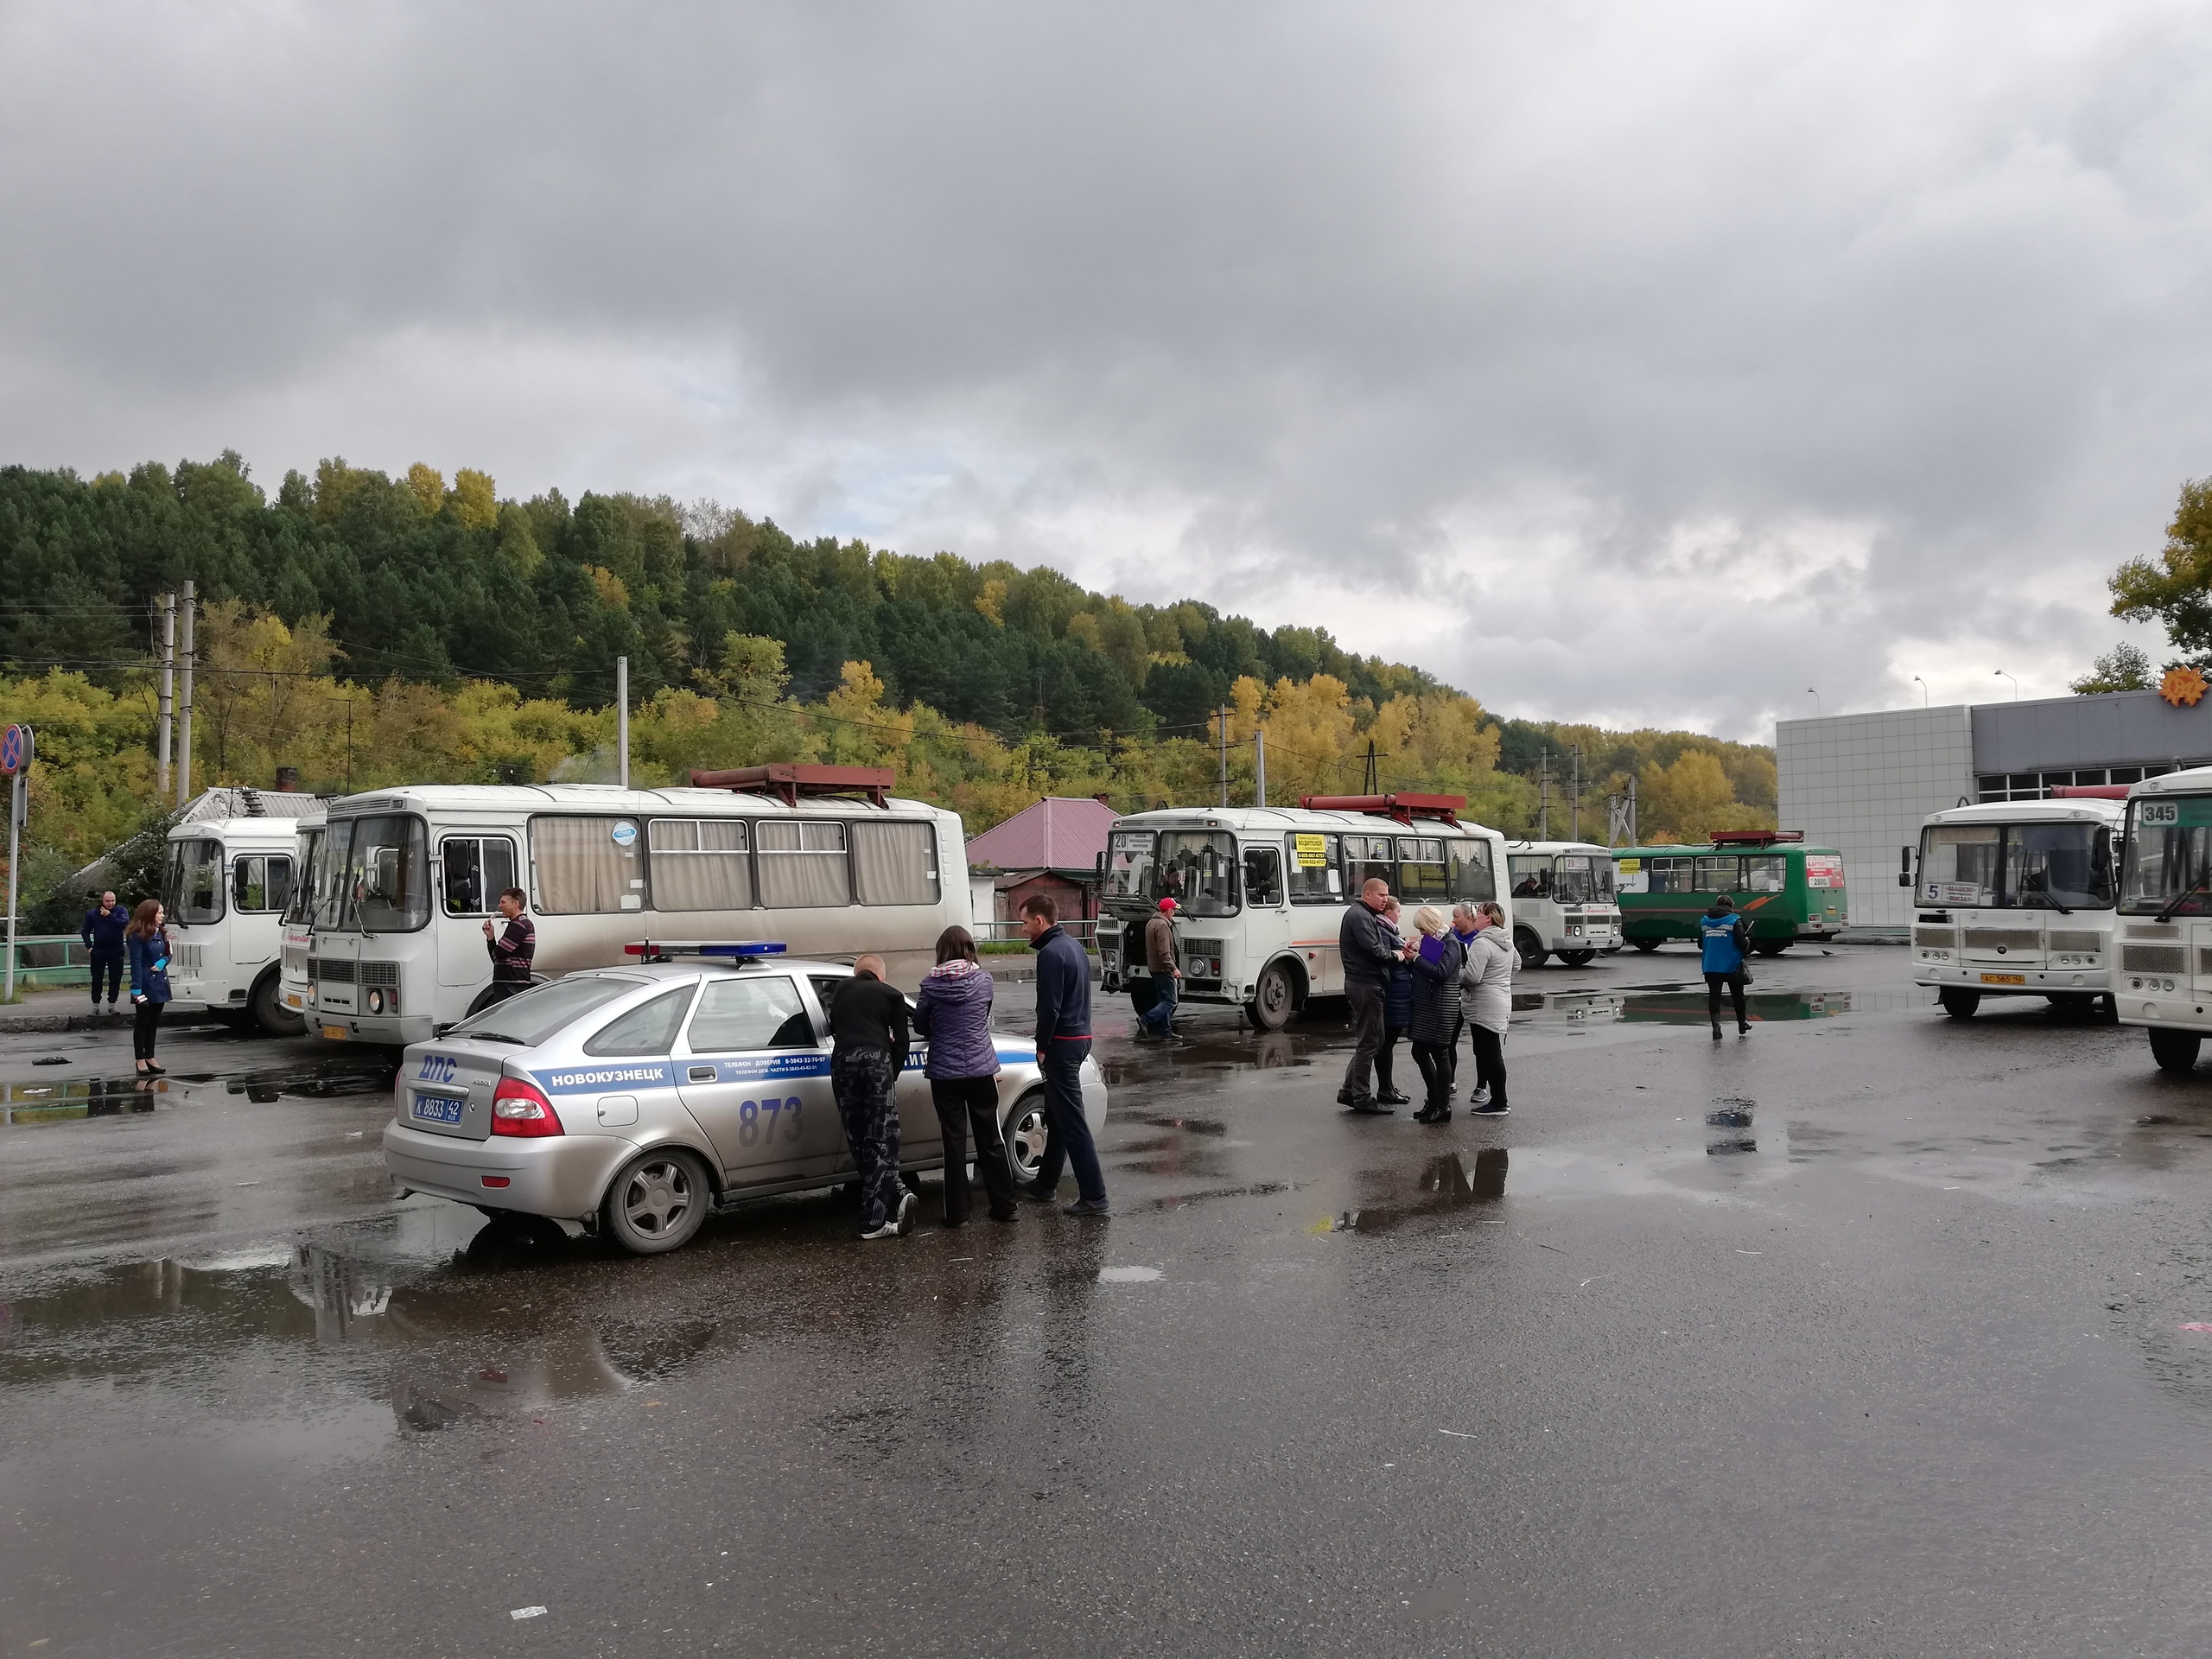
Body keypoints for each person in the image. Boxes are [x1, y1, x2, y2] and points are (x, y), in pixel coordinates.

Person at [913, 925, 1016, 1226]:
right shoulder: (984, 980)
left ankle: (957, 1214)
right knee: (990, 1138)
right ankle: (1005, 1207)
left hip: (945, 1074)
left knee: (954, 1141)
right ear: (970, 948)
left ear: (942, 950)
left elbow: (920, 1024)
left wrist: (939, 1030)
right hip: (981, 1069)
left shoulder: (930, 984)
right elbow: (983, 1013)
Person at [1015, 893, 1108, 1216]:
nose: (1023, 928)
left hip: (1062, 1043)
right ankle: (1045, 1185)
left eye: (1025, 922)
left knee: (1072, 1122)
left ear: (1040, 921)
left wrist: (1041, 1047)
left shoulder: (1051, 954)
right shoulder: (1073, 946)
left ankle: (1095, 1196)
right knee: (1057, 1116)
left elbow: (1049, 1009)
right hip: (1080, 1037)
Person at [830, 953, 918, 1239]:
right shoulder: (891, 995)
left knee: (859, 1139)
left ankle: (897, 1194)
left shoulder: (841, 990)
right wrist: (891, 1073)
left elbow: (834, 1026)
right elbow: (902, 1042)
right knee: (882, 1141)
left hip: (842, 1064)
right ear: (881, 976)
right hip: (876, 1061)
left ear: (857, 973)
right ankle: (873, 1222)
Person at [1338, 876, 1410, 1114]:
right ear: (1367, 894)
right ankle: (1362, 1098)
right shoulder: (1359, 916)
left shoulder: (1364, 915)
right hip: (1365, 984)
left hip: (1365, 983)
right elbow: (1375, 951)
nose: (1385, 900)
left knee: (1372, 1041)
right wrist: (1398, 956)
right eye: (1381, 895)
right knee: (1370, 1042)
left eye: (1387, 895)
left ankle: (1350, 1092)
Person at [1406, 906, 1467, 1122]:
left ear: (1431, 925)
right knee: (1419, 1052)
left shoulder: (1450, 943)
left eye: (1422, 928)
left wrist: (1415, 959)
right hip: (1427, 1005)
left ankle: (1442, 1106)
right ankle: (1433, 1100)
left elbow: (1441, 973)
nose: (1421, 933)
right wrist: (1409, 958)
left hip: (1442, 1007)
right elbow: (1423, 970)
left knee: (1440, 1054)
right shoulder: (1432, 941)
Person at [1460, 902, 1513, 1116]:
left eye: (1478, 915)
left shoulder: (1482, 942)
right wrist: (1500, 978)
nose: (1475, 918)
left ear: (1488, 918)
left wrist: (1454, 974)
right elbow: (1516, 964)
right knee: (1491, 1052)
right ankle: (1498, 1099)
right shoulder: (1505, 939)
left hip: (1484, 1004)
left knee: (1489, 1054)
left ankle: (1499, 1101)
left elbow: (1472, 977)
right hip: (1500, 1000)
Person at [124, 899, 173, 1077]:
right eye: (159, 912)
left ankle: (150, 1056)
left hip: (160, 982)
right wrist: (136, 989)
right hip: (145, 983)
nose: (162, 916)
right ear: (149, 914)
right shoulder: (136, 935)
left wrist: (163, 961)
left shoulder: (161, 932)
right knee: (143, 1023)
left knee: (154, 1023)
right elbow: (136, 964)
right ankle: (140, 1059)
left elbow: (168, 953)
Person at [471, 887, 535, 1015]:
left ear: (515, 904)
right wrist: (491, 937)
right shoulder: (516, 924)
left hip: (512, 982)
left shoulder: (520, 925)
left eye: (503, 902)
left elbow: (500, 953)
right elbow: (497, 959)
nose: (499, 906)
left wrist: (497, 947)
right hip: (507, 981)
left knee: (507, 1018)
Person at [1376, 897, 1414, 1106]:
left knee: (1387, 1043)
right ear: (1389, 912)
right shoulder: (1383, 930)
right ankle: (1385, 1089)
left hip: (1396, 992)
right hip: (1392, 993)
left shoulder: (1389, 930)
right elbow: (1387, 958)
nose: (1400, 915)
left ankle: (1388, 1087)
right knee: (1385, 1043)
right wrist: (1404, 955)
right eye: (1398, 911)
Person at [1700, 893, 1753, 1039]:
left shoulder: (1704, 921)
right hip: (1731, 965)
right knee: (1737, 996)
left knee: (1714, 997)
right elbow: (1741, 943)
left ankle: (1716, 1029)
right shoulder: (1734, 920)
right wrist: (1747, 942)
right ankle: (1742, 1025)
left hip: (1710, 965)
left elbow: (1700, 944)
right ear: (1730, 906)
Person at [1137, 896, 1182, 1042]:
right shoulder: (1162, 925)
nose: (1174, 913)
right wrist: (1174, 968)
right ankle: (1146, 1019)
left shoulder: (1151, 922)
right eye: (1174, 910)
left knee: (1163, 1000)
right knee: (1171, 1001)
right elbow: (1164, 952)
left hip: (1154, 968)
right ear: (1168, 910)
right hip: (1164, 968)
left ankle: (1166, 1031)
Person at [81, 889, 129, 1015]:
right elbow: (85, 930)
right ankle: (95, 1005)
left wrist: (109, 916)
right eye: (108, 901)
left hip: (116, 949)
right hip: (99, 949)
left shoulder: (121, 911)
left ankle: (112, 1004)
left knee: (115, 978)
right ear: (102, 901)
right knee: (97, 978)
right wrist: (89, 946)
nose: (111, 903)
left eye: (113, 901)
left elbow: (124, 924)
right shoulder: (93, 914)